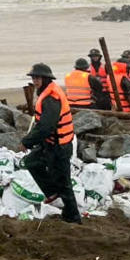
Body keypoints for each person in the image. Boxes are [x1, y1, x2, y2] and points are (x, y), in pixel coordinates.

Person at [20, 63, 81, 224]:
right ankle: (53, 193)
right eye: (33, 78)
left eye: (38, 78)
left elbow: (46, 127)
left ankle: (73, 217)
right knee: (32, 161)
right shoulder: (46, 93)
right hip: (51, 143)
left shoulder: (51, 98)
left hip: (59, 145)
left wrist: (27, 142)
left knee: (64, 183)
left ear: (46, 78)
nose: (35, 81)